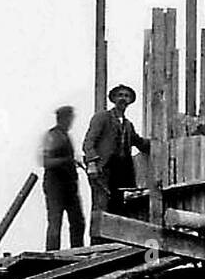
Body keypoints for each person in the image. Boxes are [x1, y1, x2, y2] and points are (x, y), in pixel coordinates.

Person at [82, 84, 151, 215]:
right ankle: (98, 236)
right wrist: (92, 163)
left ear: (130, 100)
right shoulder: (102, 117)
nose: (123, 99)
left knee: (120, 205)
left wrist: (156, 144)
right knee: (101, 206)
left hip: (122, 171)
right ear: (113, 99)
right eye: (120, 95)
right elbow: (88, 142)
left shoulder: (128, 125)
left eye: (126, 96)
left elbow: (139, 142)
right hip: (104, 169)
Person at [41, 105, 86, 250]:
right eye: (69, 118)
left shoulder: (64, 135)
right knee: (55, 222)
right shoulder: (53, 135)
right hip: (56, 186)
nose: (71, 121)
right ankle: (52, 255)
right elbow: (46, 161)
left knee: (77, 221)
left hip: (69, 186)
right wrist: (68, 161)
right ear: (63, 119)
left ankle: (77, 252)